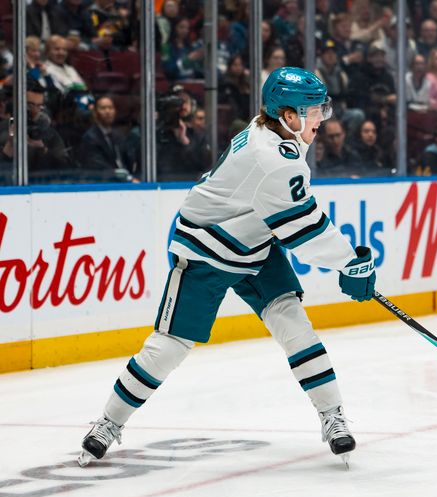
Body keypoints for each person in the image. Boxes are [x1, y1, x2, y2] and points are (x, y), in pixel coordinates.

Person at [78, 67, 376, 468]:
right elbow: (305, 229)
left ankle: (332, 416)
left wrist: (345, 262)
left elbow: (289, 216)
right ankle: (108, 422)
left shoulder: (273, 130)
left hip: (253, 240)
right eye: (316, 109)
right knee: (169, 345)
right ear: (289, 115)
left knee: (293, 323)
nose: (324, 115)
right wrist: (350, 264)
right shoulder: (274, 158)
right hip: (205, 248)